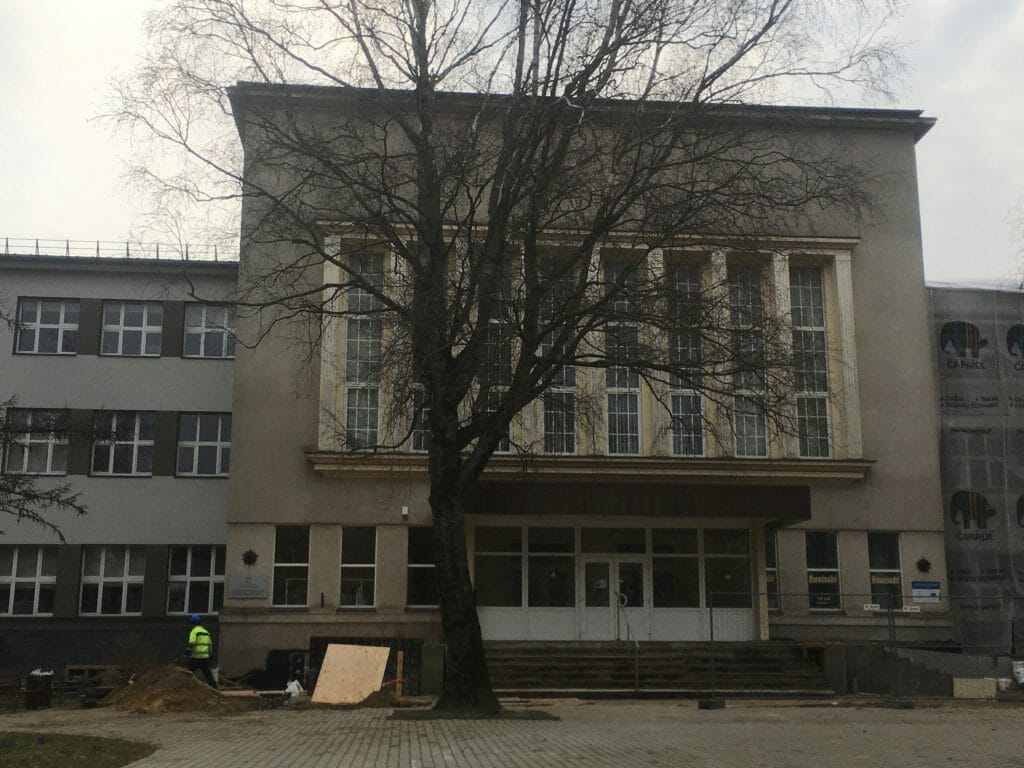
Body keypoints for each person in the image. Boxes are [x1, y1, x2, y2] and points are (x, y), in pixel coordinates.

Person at [186, 614, 218, 688]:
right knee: (208, 675)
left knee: (188, 673)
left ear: (192, 623)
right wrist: (211, 655)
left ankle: (186, 688)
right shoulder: (206, 632)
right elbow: (210, 645)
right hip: (205, 658)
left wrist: (186, 653)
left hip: (195, 658)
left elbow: (191, 643)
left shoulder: (194, 631)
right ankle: (215, 689)